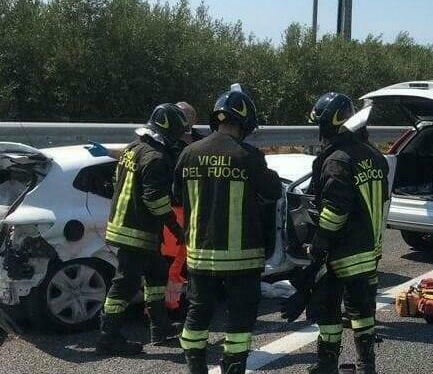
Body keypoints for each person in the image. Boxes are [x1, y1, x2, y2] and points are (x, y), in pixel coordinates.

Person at [175, 88, 282, 374]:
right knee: (239, 321)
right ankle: (232, 369)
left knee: (197, 315)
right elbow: (273, 191)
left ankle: (195, 369)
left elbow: (177, 196)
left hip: (199, 255)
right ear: (245, 123)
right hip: (241, 258)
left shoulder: (188, 153)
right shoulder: (248, 156)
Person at [304, 92, 390, 374]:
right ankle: (367, 366)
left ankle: (326, 365)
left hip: (340, 253)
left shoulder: (337, 160)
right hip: (368, 251)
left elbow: (335, 211)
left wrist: (318, 244)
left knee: (329, 311)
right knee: (363, 312)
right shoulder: (374, 156)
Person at [97, 103, 187, 356]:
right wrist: (174, 226)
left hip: (126, 225)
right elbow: (154, 199)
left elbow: (120, 181)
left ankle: (160, 327)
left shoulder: (133, 148)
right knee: (125, 283)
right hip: (136, 231)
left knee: (157, 273)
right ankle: (108, 337)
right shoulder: (156, 158)